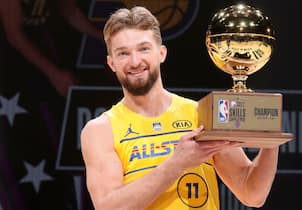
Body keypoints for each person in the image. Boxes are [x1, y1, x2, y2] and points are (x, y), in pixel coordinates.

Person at [80, 6, 279, 210]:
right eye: (123, 53)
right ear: (111, 63)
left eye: (144, 49)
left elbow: (252, 194)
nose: (135, 61)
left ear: (161, 53)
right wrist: (177, 163)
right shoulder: (101, 131)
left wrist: (270, 142)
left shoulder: (201, 115)